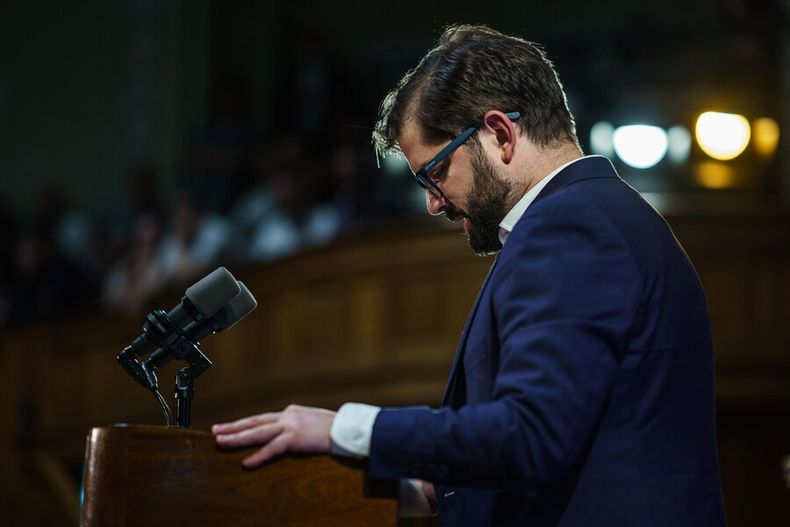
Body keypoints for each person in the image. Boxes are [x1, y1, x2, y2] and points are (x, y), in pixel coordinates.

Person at [212, 25, 727, 526]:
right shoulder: (590, 217)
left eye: (434, 173)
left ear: (500, 132)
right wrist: (380, 494)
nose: (433, 203)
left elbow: (533, 433)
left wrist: (347, 427)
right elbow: (558, 448)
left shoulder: (572, 224)